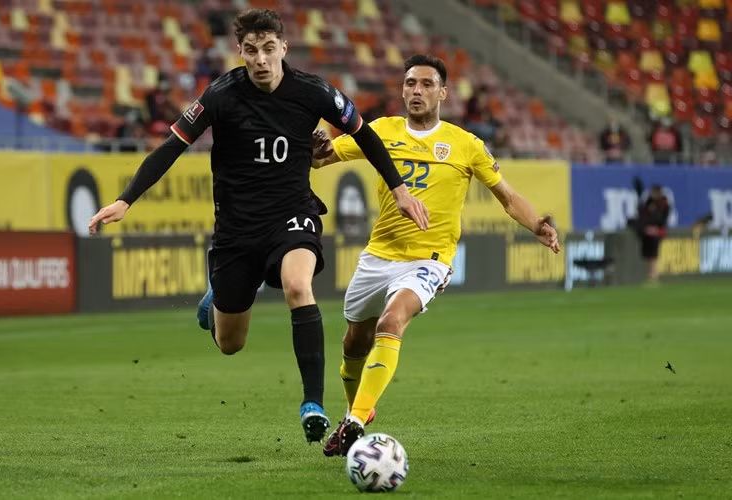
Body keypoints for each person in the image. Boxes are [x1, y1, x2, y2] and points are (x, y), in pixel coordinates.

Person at [87, 9, 428, 443]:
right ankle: (216, 301)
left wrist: (399, 190)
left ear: (283, 48)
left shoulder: (313, 91)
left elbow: (365, 135)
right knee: (230, 343)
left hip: (293, 213)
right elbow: (171, 147)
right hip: (236, 229)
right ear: (241, 52)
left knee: (298, 286)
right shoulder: (220, 95)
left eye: (269, 49)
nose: (261, 59)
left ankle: (312, 404)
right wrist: (125, 199)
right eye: (252, 51)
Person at [311, 54, 560, 456]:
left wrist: (536, 225)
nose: (417, 91)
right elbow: (321, 158)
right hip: (379, 255)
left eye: (427, 84)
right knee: (354, 344)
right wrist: (316, 147)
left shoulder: (466, 145)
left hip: (429, 259)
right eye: (410, 83)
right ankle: (358, 411)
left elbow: (507, 196)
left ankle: (353, 422)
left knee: (392, 321)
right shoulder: (380, 131)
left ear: (443, 93)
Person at [636, 185, 670, 284]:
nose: (652, 194)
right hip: (648, 232)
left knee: (654, 255)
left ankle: (654, 276)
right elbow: (642, 214)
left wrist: (655, 229)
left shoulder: (663, 203)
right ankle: (651, 275)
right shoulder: (648, 202)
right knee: (649, 255)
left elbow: (662, 219)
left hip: (658, 231)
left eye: (654, 192)